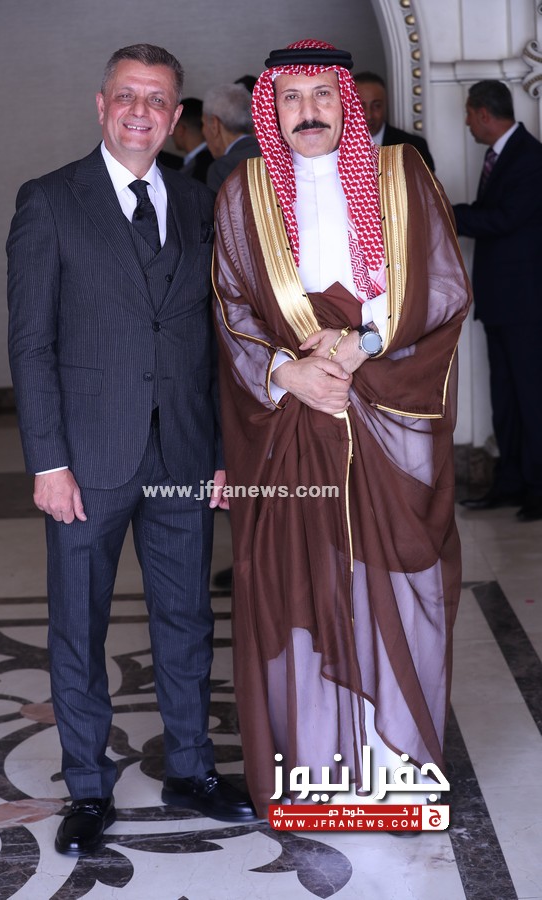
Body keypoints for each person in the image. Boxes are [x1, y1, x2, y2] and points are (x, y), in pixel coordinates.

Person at [7, 42, 255, 857]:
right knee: (79, 625)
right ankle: (88, 785)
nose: (140, 111)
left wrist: (221, 450)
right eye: (127, 96)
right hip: (86, 459)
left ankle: (192, 769)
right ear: (101, 104)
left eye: (157, 100)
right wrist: (47, 461)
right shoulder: (50, 201)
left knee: (188, 618)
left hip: (182, 451)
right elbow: (31, 344)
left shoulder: (199, 203)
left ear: (176, 116)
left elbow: (217, 341)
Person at [211, 39, 471, 819]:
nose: (308, 112)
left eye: (322, 94)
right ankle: (319, 774)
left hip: (391, 418)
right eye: (290, 98)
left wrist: (363, 345)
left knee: (400, 584)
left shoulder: (402, 176)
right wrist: (285, 373)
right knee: (303, 582)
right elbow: (230, 305)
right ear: (271, 108)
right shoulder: (244, 192)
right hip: (293, 424)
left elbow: (444, 287)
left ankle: (398, 769)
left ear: (346, 101)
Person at [453, 80, 542, 521]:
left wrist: (447, 213)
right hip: (501, 303)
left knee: (531, 398)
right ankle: (510, 483)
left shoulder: (529, 157)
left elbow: (504, 219)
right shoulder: (501, 155)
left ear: (484, 113)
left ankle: (538, 488)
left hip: (526, 305)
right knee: (504, 398)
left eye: (469, 114)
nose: (467, 123)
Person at [354, 71, 435, 171]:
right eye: (361, 106)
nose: (369, 115)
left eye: (376, 106)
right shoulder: (339, 148)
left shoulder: (414, 147)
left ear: (385, 105)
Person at [202, 83, 261, 192]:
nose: (203, 131)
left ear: (215, 124)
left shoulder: (222, 168)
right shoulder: (275, 155)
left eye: (203, 124)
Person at [172, 96, 213, 183]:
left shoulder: (201, 166)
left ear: (180, 130)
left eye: (173, 126)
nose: (170, 133)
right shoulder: (213, 158)